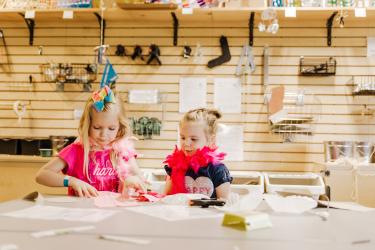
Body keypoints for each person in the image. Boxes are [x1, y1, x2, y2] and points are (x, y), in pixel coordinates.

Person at [36, 86, 147, 197]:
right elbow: (42, 175)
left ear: (120, 127)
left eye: (111, 128)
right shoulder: (76, 150)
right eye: (97, 127)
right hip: (81, 212)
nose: (104, 135)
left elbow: (139, 178)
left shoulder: (123, 152)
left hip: (114, 211)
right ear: (88, 125)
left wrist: (132, 180)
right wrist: (71, 181)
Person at [163, 108, 232, 200]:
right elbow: (167, 197)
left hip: (209, 214)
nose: (186, 143)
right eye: (183, 138)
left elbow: (224, 203)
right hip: (180, 213)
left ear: (210, 140)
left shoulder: (218, 170)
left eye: (193, 139)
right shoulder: (174, 166)